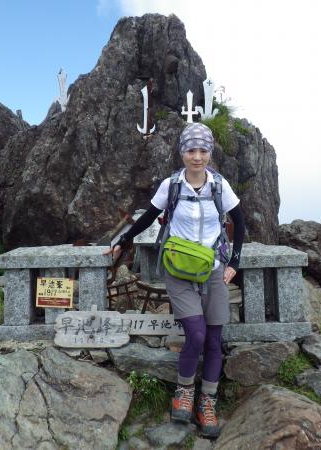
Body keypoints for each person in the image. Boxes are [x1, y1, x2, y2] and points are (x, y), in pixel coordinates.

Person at [103, 122, 245, 438]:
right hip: (179, 271)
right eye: (191, 150)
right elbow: (147, 218)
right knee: (196, 334)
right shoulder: (172, 185)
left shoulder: (219, 186)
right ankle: (184, 392)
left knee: (214, 339)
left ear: (210, 153)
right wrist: (122, 240)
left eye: (203, 150)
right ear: (182, 152)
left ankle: (207, 402)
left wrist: (234, 263)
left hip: (213, 269)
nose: (197, 157)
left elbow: (240, 221)